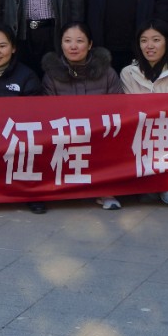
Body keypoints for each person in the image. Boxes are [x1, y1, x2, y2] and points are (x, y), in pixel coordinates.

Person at [42, 22, 124, 210]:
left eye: (79, 41)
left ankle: (106, 191)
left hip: (99, 133)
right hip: (65, 135)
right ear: (61, 44)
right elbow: (47, 114)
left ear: (90, 44)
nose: (73, 46)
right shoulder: (51, 76)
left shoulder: (107, 73)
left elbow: (118, 107)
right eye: (67, 41)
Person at [119, 20, 168, 207]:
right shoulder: (128, 73)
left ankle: (164, 182)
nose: (149, 46)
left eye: (156, 40)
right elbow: (132, 112)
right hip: (140, 136)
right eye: (144, 40)